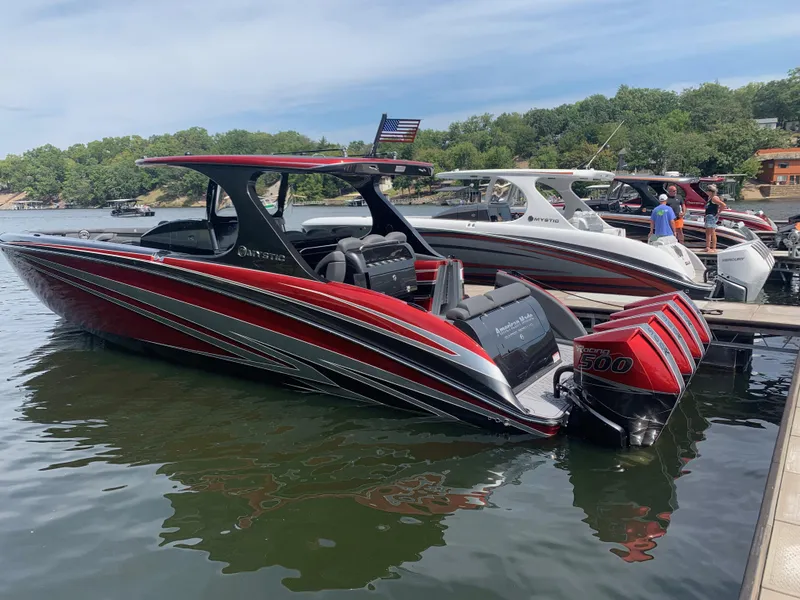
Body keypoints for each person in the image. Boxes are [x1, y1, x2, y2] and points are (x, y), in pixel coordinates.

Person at [704, 184, 727, 252]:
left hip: (712, 216)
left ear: (711, 191)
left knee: (712, 232)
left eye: (707, 190)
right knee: (708, 232)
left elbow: (723, 204)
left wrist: (718, 212)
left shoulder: (714, 198)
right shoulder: (710, 198)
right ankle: (708, 247)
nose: (706, 192)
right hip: (708, 216)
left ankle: (713, 248)